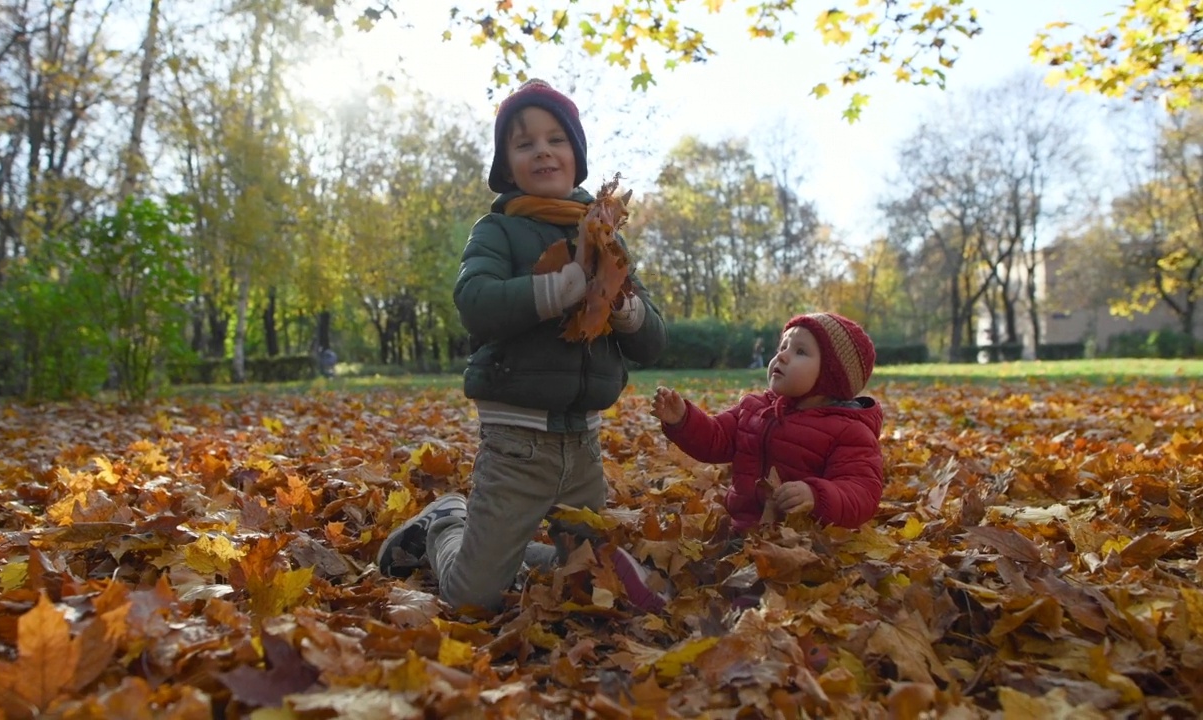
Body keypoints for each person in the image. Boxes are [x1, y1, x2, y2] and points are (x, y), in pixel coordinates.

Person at [376, 79, 668, 612]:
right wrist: (566, 287)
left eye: (556, 139)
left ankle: (522, 551)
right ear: (507, 165)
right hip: (516, 443)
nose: (542, 151)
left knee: (585, 577)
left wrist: (621, 303)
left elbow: (652, 344)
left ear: (575, 158)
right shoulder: (497, 231)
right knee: (474, 597)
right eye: (524, 142)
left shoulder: (605, 234)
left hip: (583, 446)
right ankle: (446, 522)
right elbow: (477, 302)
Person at [652, 312, 883, 534]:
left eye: (800, 351)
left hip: (803, 546)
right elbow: (715, 438)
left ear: (831, 376)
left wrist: (816, 495)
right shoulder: (755, 408)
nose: (782, 356)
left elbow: (862, 492)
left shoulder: (849, 431)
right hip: (743, 531)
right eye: (782, 347)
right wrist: (683, 420)